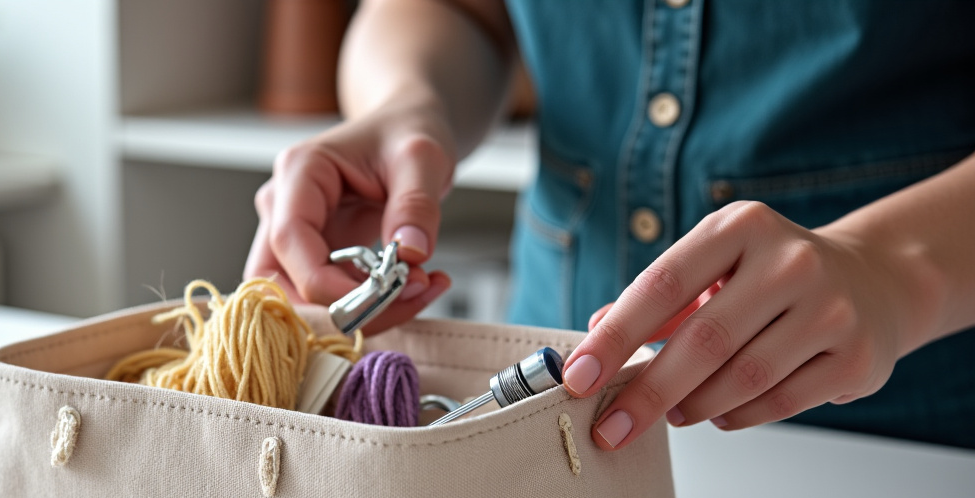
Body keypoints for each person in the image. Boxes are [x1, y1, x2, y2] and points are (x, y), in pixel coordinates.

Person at [244, 0, 975, 450]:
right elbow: (459, 8)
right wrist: (406, 104)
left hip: (920, 452)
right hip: (536, 418)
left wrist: (889, 269)